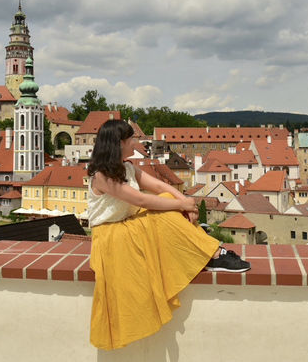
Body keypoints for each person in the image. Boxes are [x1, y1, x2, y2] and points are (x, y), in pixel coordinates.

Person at [87, 119, 250, 350]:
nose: (135, 142)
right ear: (119, 143)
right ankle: (213, 253)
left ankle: (211, 251)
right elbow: (141, 199)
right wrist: (181, 206)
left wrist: (185, 202)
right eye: (131, 139)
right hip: (110, 234)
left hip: (127, 224)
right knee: (164, 211)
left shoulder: (128, 168)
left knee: (167, 201)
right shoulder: (102, 176)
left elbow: (162, 187)